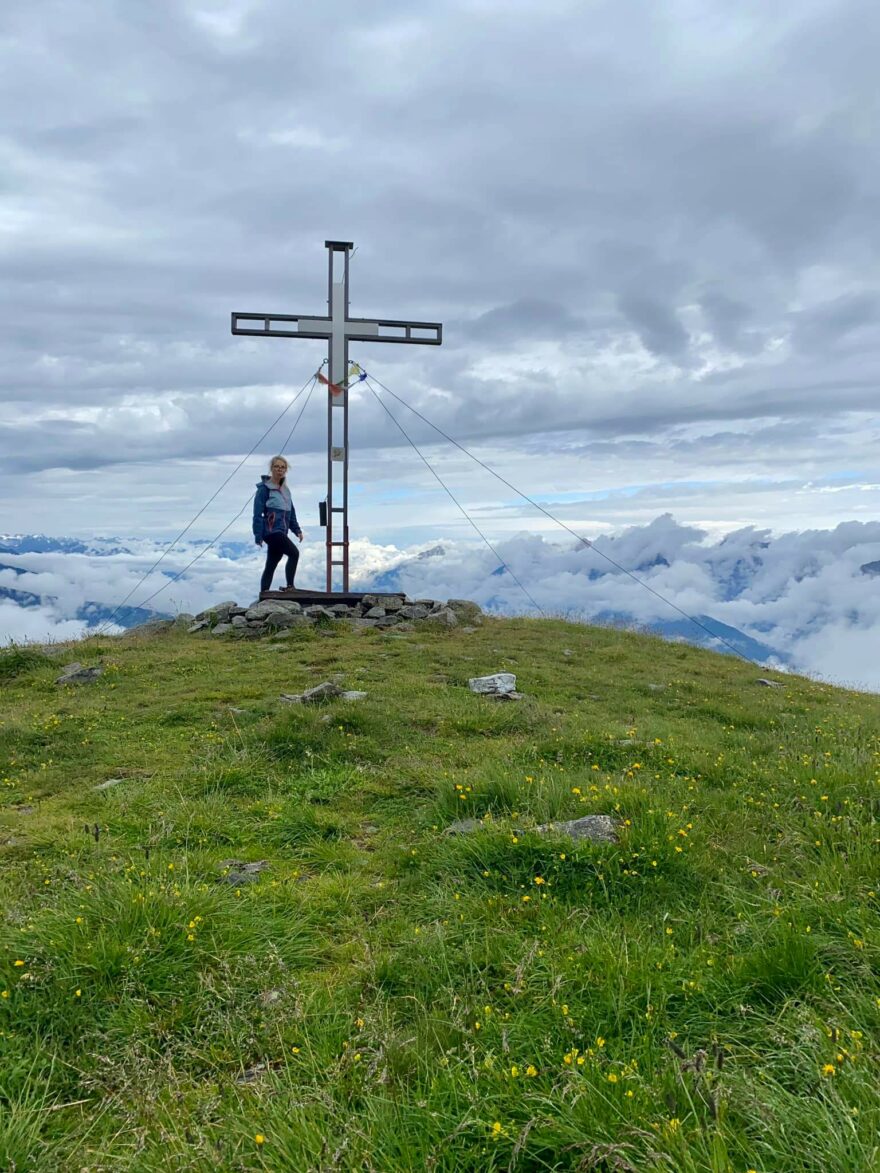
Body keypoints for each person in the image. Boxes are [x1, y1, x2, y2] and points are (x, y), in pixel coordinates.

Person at [253, 455, 304, 592]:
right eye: (277, 467)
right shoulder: (264, 489)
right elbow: (257, 514)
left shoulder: (286, 491)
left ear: (285, 470)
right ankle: (290, 587)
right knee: (294, 553)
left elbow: (291, 513)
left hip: (281, 531)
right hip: (271, 532)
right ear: (271, 469)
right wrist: (258, 535)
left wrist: (297, 530)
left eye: (282, 467)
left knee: (271, 563)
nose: (279, 469)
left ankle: (264, 594)